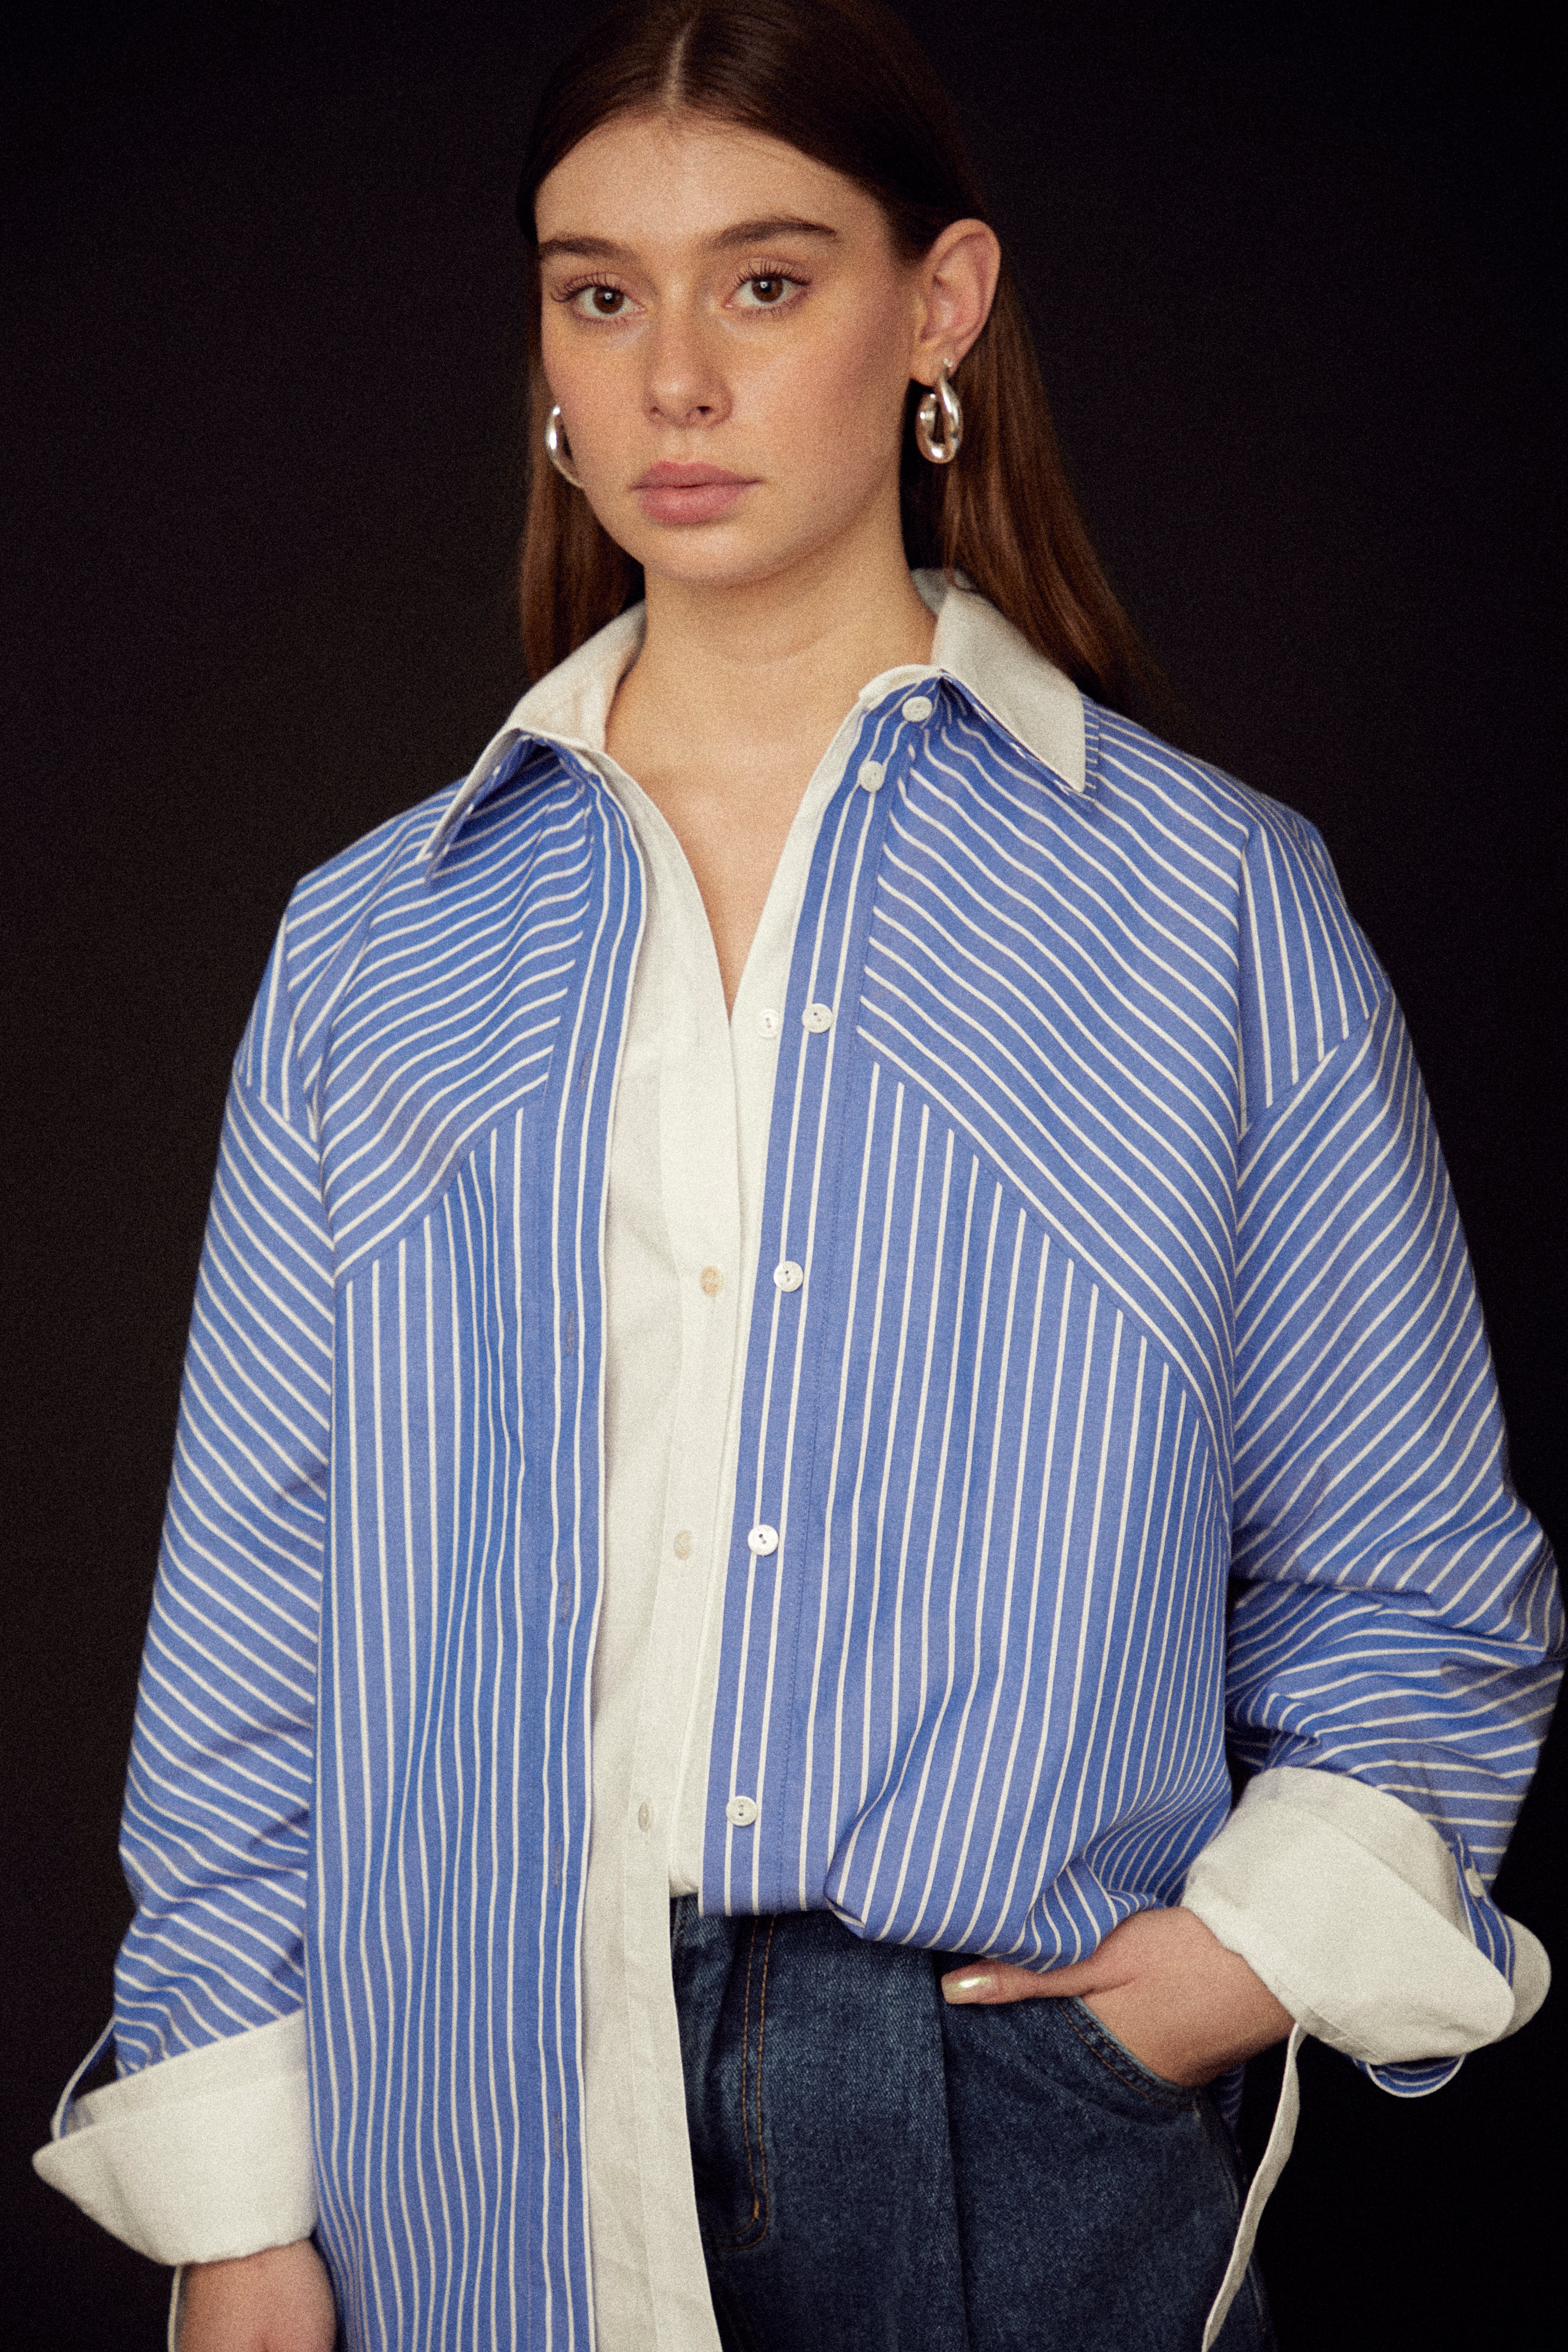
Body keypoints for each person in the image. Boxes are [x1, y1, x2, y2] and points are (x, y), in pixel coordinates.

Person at [34, 3, 1561, 2348]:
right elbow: (259, 1625)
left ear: (936, 306)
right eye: (598, 292)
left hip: (1006, 2129)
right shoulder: (376, 943)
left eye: (764, 282)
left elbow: (1414, 1583)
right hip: (468, 2140)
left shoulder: (1205, 909)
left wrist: (1218, 1977)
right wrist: (239, 2215)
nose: (673, 378)